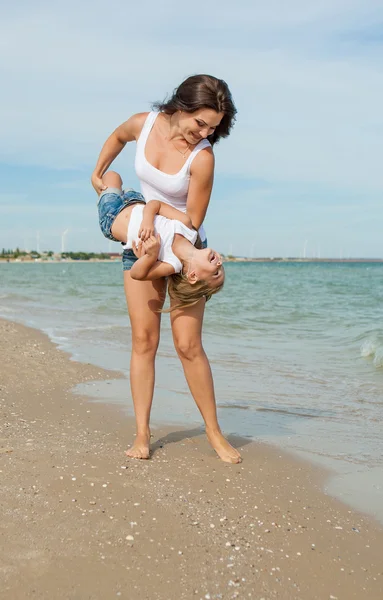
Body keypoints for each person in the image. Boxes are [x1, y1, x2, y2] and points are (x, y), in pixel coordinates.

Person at [92, 74, 241, 463]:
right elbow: (118, 136)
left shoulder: (203, 157)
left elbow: (192, 220)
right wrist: (99, 170)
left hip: (186, 248)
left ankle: (214, 433)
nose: (205, 133)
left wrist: (154, 211)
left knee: (188, 346)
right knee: (144, 342)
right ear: (182, 107)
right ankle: (142, 436)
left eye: (213, 127)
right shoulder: (145, 123)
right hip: (143, 246)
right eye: (200, 123)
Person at [97, 170, 225, 308]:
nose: (219, 264)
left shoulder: (172, 264)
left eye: (216, 273)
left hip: (112, 215)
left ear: (193, 276)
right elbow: (155, 204)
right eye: (221, 266)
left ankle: (101, 191)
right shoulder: (187, 226)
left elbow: (136, 274)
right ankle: (104, 190)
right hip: (136, 201)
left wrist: (151, 256)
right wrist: (147, 221)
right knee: (111, 179)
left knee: (111, 176)